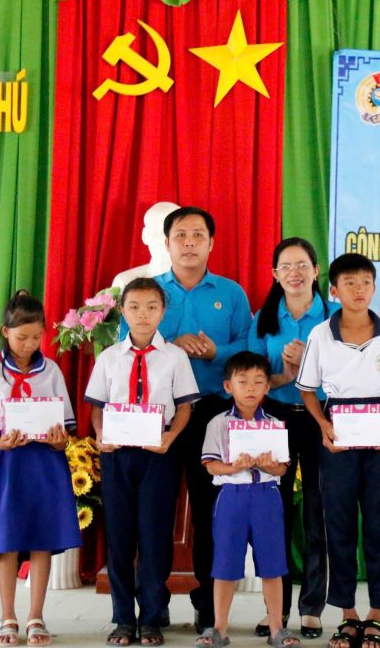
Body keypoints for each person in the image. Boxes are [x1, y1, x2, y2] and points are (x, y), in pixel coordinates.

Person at [119, 205, 252, 630]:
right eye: (181, 235)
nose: (189, 242)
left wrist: (218, 353)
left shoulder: (231, 293)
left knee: (212, 511)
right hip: (155, 415)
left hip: (213, 410)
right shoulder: (148, 291)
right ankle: (152, 610)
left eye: (198, 235)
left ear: (212, 242)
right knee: (154, 513)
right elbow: (126, 343)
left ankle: (208, 606)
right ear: (167, 242)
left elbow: (247, 348)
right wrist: (167, 345)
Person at [296, 252, 380, 648]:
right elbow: (307, 390)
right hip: (339, 431)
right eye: (349, 283)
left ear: (374, 287)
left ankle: (377, 615)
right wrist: (325, 427)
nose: (358, 290)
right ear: (334, 290)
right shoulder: (320, 335)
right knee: (339, 526)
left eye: (365, 282)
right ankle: (347, 615)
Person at [85, 278, 200, 646]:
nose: (143, 314)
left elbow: (184, 407)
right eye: (134, 306)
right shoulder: (108, 358)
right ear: (123, 311)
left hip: (158, 453)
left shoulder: (175, 357)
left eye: (152, 306)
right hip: (118, 454)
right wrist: (101, 436)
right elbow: (97, 409)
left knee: (154, 535)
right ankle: (122, 619)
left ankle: (151, 617)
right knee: (120, 536)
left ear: (163, 312)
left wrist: (169, 438)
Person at [0, 290, 82, 646]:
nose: (30, 344)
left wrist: (58, 440)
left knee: (41, 539)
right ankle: (7, 618)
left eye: (37, 337)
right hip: (8, 462)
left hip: (45, 463)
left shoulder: (50, 371)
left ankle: (36, 616)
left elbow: (66, 427)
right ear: (5, 331)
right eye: (22, 337)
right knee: (6, 539)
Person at [248, 237, 335, 639]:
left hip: (321, 420)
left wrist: (312, 366)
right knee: (273, 513)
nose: (295, 273)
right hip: (276, 418)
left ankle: (312, 607)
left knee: (318, 512)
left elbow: (348, 378)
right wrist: (287, 372)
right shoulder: (263, 319)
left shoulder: (335, 316)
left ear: (317, 271)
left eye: (303, 265)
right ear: (275, 274)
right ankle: (275, 609)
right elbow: (252, 381)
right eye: (286, 266)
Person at [194, 351, 302, 648]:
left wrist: (268, 466)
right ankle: (219, 628)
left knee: (273, 564)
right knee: (225, 564)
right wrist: (235, 467)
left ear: (268, 386)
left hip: (267, 496)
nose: (251, 388)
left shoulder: (275, 423)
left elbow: (282, 467)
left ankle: (277, 628)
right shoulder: (218, 423)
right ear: (228, 386)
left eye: (258, 381)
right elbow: (210, 464)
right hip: (232, 496)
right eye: (243, 381)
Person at [111, 201, 179, 290]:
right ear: (145, 235)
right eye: (157, 233)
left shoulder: (199, 283)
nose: (164, 240)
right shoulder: (125, 281)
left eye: (175, 233)